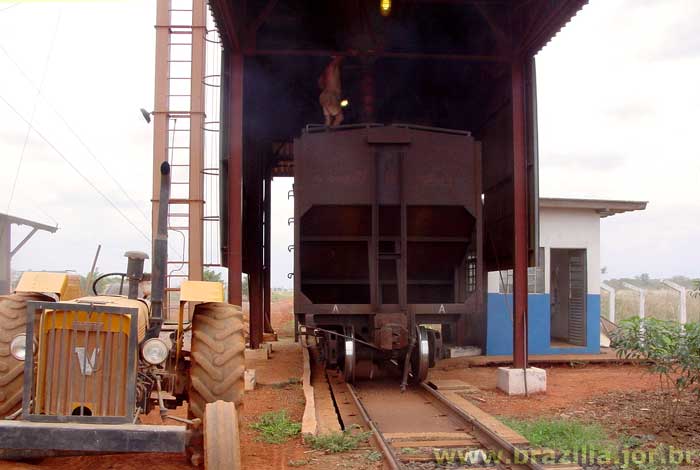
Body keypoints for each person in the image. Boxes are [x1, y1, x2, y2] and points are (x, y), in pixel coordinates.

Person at [318, 56, 344, 127]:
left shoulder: (325, 72)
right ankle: (331, 135)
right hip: (330, 96)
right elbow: (338, 58)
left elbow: (321, 85)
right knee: (339, 117)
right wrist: (347, 53)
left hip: (325, 96)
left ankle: (326, 135)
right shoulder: (331, 67)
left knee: (328, 120)